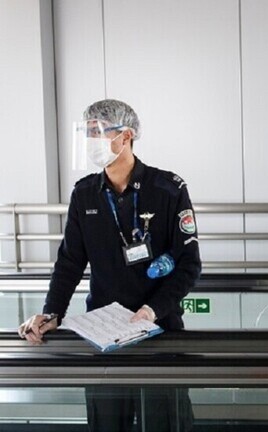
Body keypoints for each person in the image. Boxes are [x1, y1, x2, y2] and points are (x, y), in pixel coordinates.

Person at [18, 99, 201, 432]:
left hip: (159, 330)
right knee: (107, 422)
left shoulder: (168, 189)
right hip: (104, 334)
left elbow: (189, 263)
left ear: (126, 135)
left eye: (97, 132)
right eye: (86, 132)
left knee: (164, 422)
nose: (91, 141)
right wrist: (52, 312)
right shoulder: (85, 193)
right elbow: (69, 262)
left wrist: (152, 310)